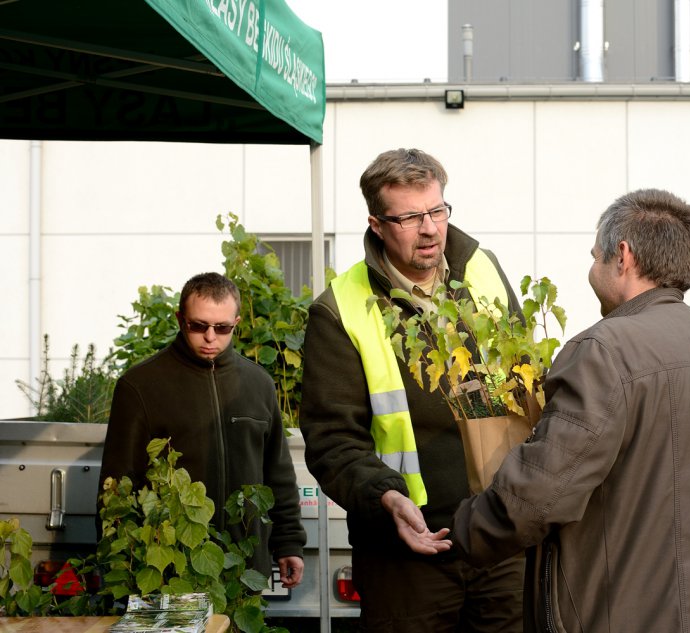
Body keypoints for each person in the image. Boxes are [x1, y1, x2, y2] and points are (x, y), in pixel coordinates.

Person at [416, 189, 690, 632]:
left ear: (622, 256)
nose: (592, 269)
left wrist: (462, 532)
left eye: (594, 257)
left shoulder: (604, 350)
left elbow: (540, 497)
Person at [299, 148, 524, 632]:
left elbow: (524, 382)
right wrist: (386, 497)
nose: (430, 229)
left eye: (438, 210)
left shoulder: (484, 269)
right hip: (405, 552)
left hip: (499, 539)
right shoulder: (339, 308)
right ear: (377, 224)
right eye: (410, 217)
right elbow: (332, 440)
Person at [100, 272, 305, 588]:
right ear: (181, 319)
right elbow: (116, 485)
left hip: (243, 569)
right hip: (168, 570)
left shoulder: (258, 384)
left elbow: (277, 472)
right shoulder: (140, 386)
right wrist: (122, 565)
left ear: (236, 323)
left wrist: (289, 542)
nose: (211, 337)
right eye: (199, 326)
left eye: (222, 328)